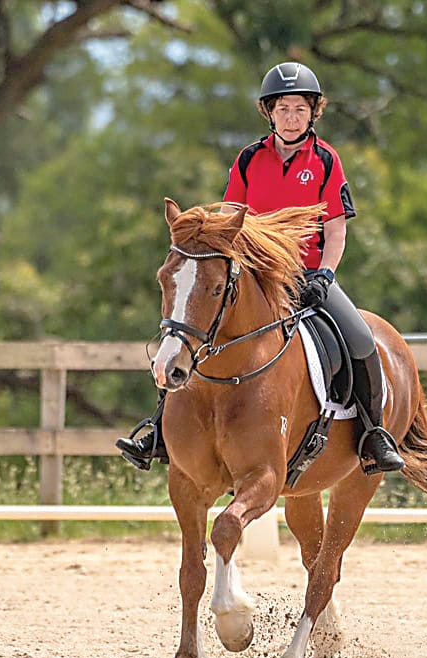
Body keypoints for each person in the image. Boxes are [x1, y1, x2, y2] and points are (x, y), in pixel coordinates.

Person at [117, 61, 404, 473]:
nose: (291, 117)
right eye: (283, 109)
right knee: (190, 330)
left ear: (313, 113)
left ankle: (373, 436)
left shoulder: (326, 159)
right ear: (269, 112)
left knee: (360, 340)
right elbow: (230, 221)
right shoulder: (249, 158)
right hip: (253, 277)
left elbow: (336, 230)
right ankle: (160, 431)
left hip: (309, 277)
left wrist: (325, 274)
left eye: (300, 109)